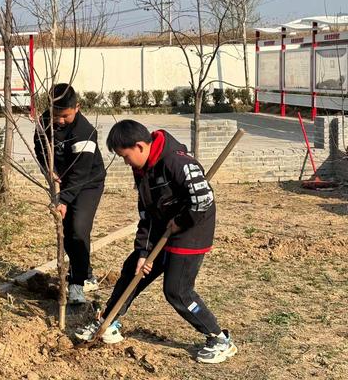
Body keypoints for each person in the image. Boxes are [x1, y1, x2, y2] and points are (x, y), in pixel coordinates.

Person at [75, 120, 237, 364]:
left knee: (177, 290)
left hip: (191, 230)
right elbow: (147, 213)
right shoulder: (142, 169)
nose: (125, 162)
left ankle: (219, 339)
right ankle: (107, 321)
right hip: (164, 226)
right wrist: (143, 251)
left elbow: (203, 200)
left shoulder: (177, 162)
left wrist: (181, 221)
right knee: (134, 270)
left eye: (126, 156)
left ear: (140, 146)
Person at [34, 83, 105, 304]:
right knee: (66, 231)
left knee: (78, 229)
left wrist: (64, 199)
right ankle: (85, 272)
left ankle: (77, 285)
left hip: (88, 183)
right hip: (63, 180)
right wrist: (49, 170)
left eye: (65, 115)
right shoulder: (44, 121)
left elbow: (81, 173)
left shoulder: (84, 132)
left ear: (78, 107)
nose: (60, 120)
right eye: (56, 115)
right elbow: (40, 147)